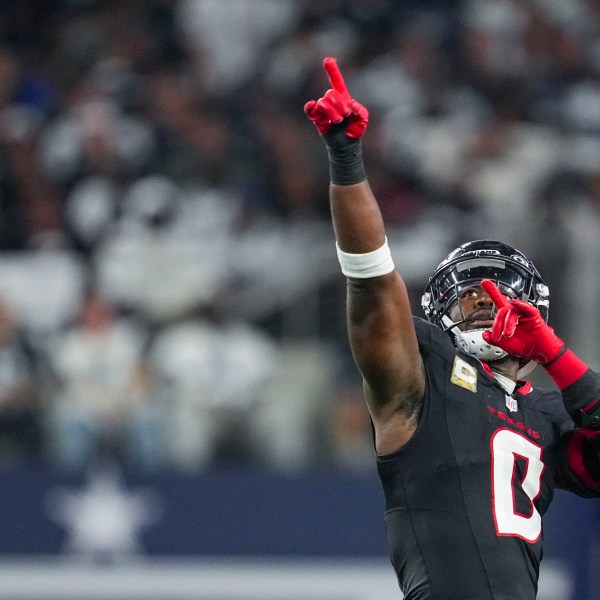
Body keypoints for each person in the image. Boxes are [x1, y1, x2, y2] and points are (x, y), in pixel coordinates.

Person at [304, 57, 600, 600]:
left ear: (535, 310)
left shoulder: (548, 412)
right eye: (468, 297)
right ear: (440, 311)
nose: (485, 305)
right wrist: (346, 160)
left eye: (500, 295)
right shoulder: (425, 370)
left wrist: (557, 355)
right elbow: (370, 281)